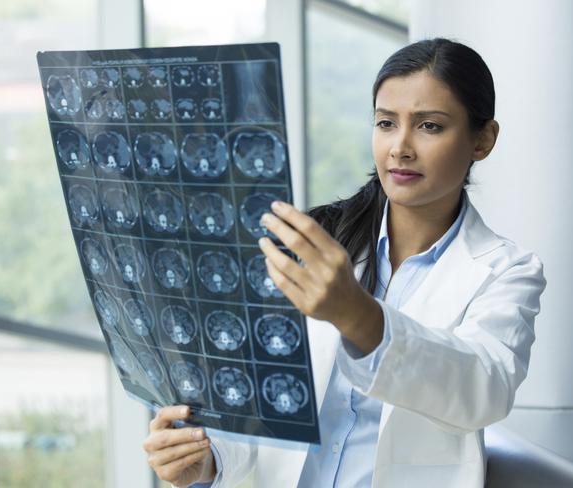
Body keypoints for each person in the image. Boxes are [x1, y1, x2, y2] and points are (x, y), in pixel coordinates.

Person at [142, 37, 547, 488]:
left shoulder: (509, 271)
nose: (400, 147)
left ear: (482, 140)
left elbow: (481, 390)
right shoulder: (317, 242)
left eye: (430, 126)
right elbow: (267, 407)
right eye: (386, 123)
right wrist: (208, 458)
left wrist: (357, 315)